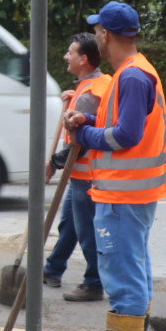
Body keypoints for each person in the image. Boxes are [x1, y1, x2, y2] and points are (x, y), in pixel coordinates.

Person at [63, 1, 166, 331]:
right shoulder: (135, 72)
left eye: (96, 31)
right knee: (136, 270)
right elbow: (123, 124)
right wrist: (90, 121)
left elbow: (125, 136)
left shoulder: (130, 77)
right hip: (134, 192)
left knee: (123, 276)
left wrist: (84, 135)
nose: (95, 36)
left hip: (123, 193)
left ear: (105, 35)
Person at [42, 33, 111, 302]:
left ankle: (94, 283)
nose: (65, 56)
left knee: (87, 234)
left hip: (86, 173)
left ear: (83, 59)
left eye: (70, 52)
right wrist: (72, 98)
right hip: (81, 174)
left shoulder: (89, 94)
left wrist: (53, 164)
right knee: (69, 226)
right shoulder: (95, 85)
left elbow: (79, 144)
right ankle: (53, 269)